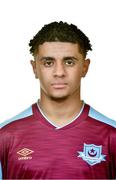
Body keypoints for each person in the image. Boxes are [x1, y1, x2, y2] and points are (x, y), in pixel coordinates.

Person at [0, 21, 116, 179]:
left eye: (69, 62)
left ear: (85, 67)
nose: (59, 72)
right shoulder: (5, 135)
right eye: (48, 63)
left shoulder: (111, 135)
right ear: (35, 68)